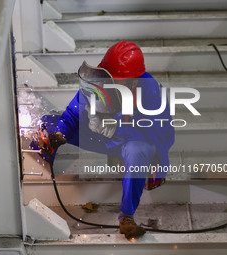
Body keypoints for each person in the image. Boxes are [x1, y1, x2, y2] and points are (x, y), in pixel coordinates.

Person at [36, 41, 175, 239]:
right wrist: (60, 135)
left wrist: (119, 128)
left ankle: (126, 218)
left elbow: (164, 133)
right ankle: (40, 163)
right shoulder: (99, 81)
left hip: (130, 143)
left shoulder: (151, 92)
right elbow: (72, 114)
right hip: (100, 137)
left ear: (134, 81)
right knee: (47, 124)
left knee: (138, 152)